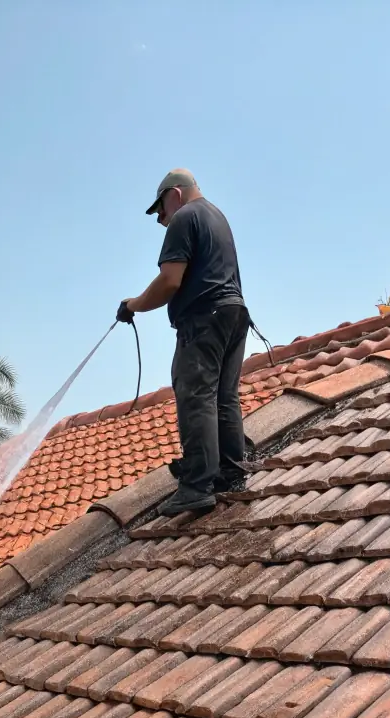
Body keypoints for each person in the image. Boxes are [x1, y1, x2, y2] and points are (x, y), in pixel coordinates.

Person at [119, 169, 250, 516]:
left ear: (174, 194)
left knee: (196, 394)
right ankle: (231, 471)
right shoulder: (217, 216)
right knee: (224, 396)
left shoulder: (185, 217)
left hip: (205, 319)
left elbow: (169, 281)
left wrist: (133, 305)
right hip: (234, 314)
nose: (161, 218)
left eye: (161, 208)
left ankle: (196, 486)